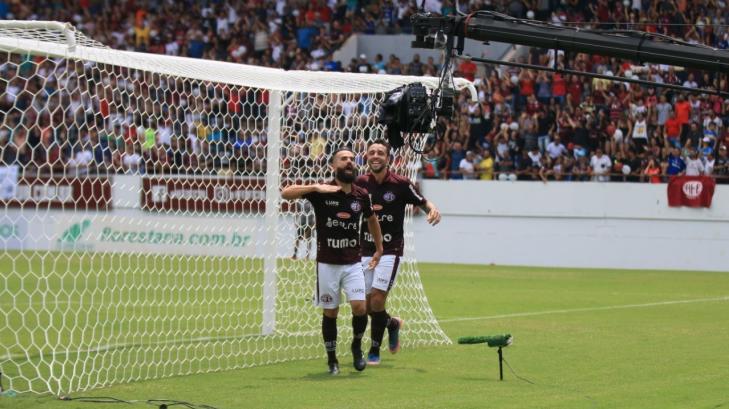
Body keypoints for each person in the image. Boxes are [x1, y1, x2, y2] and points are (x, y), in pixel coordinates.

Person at [281, 147, 384, 375]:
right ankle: (332, 359)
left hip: (353, 263)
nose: (349, 162)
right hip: (327, 264)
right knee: (331, 312)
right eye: (343, 159)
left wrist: (379, 248)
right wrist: (315, 187)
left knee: (360, 307)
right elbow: (285, 193)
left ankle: (356, 346)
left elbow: (372, 220)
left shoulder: (360, 195)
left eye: (351, 159)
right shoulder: (322, 191)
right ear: (333, 166)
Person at [355, 140, 441, 365]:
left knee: (377, 298)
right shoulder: (360, 183)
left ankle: (374, 349)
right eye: (372, 152)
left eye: (380, 153)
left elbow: (423, 202)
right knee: (365, 304)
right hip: (365, 249)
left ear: (387, 158)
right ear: (366, 156)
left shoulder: (401, 183)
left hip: (391, 250)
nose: (376, 156)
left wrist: (432, 209)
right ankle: (392, 324)